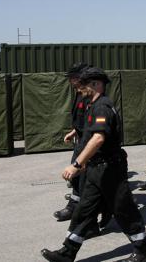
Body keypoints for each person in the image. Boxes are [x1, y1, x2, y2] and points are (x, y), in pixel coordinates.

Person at [41, 68, 146, 262]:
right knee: (84, 209)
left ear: (96, 84)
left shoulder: (102, 106)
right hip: (96, 169)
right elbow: (90, 137)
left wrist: (77, 163)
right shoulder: (93, 105)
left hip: (109, 169)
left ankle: (143, 250)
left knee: (124, 209)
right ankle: (67, 252)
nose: (80, 88)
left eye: (84, 85)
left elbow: (98, 138)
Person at [54, 63, 90, 222]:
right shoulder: (79, 93)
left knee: (80, 176)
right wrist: (74, 131)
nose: (70, 81)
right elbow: (83, 121)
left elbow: (94, 125)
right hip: (81, 139)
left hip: (88, 143)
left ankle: (74, 208)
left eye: (73, 78)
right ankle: (76, 206)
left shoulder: (90, 96)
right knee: (79, 179)